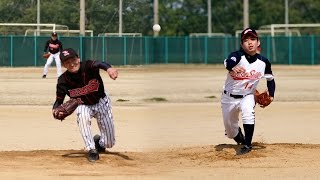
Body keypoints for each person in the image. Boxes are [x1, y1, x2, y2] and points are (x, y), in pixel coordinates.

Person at [52, 48, 118, 162]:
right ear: (63, 65)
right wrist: (55, 110)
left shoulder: (88, 66)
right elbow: (58, 101)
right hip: (83, 105)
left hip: (101, 102)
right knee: (82, 115)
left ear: (78, 58)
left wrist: (109, 68)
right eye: (67, 62)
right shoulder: (63, 80)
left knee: (110, 143)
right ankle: (91, 149)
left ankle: (99, 143)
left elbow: (99, 63)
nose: (72, 63)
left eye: (73, 59)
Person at [220, 28, 276, 155]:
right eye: (246, 40)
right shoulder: (237, 56)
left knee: (248, 112)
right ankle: (237, 135)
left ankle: (247, 144)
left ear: (258, 42)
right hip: (228, 98)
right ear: (241, 44)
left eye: (253, 39)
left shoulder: (263, 62)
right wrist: (232, 67)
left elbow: (270, 80)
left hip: (247, 95)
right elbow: (229, 62)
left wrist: (271, 95)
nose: (250, 42)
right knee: (230, 131)